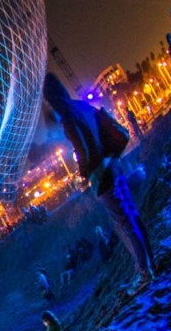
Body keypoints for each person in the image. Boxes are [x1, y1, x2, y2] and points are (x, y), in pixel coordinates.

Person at [43, 73, 154, 296]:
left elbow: (85, 151)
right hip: (114, 165)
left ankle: (144, 272)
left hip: (103, 177)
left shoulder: (67, 117)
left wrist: (83, 172)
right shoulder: (80, 105)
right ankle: (147, 265)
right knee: (131, 217)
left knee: (125, 224)